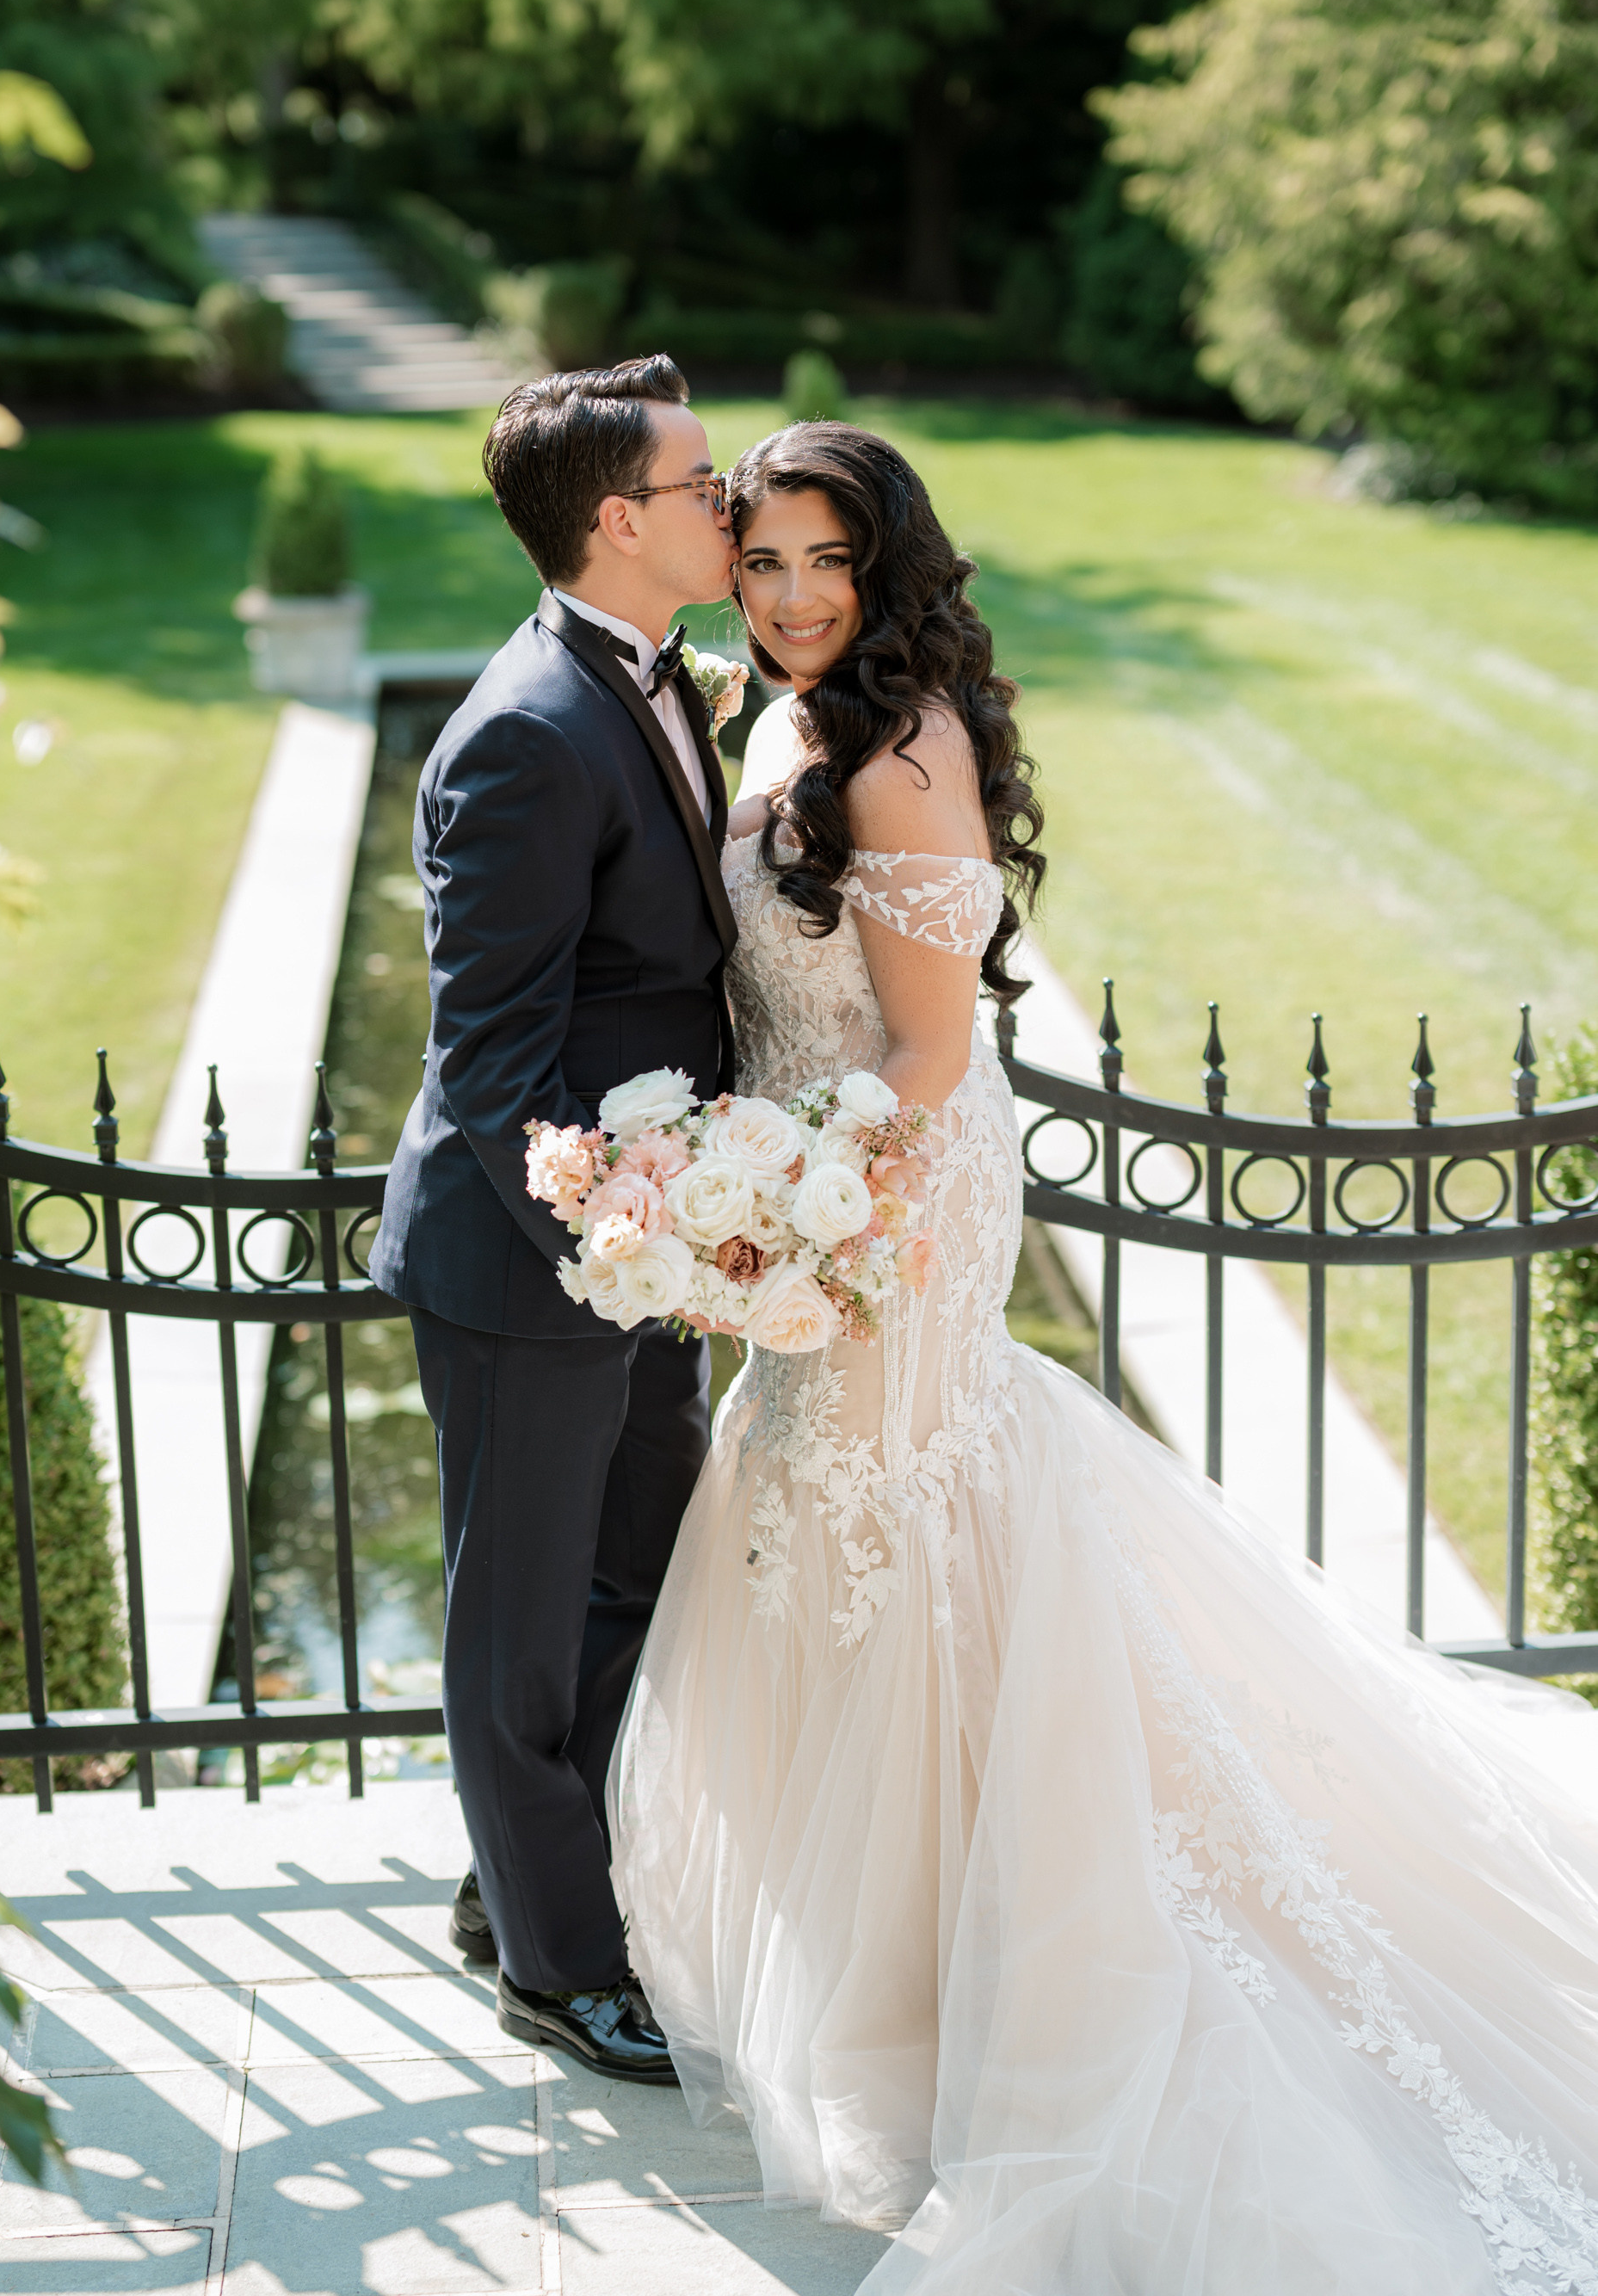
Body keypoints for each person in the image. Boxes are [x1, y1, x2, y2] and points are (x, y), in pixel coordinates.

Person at [608, 419, 1598, 2290]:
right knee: (821, 1529)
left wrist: (797, 1203)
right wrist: (738, 1192)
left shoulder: (904, 749)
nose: (795, 596)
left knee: (904, 1523)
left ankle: (999, 1965)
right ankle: (899, 1959)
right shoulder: (778, 715)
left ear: (888, 570)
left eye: (830, 563)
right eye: (767, 561)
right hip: (812, 1184)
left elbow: (926, 1052)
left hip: (893, 1189)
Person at [372, 353, 737, 2085]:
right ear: (618, 520)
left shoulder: (651, 677)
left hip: (639, 1250)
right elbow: (495, 1061)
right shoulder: (525, 731)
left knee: (640, 1579)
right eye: (703, 485)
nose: (730, 505)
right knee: (515, 1628)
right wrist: (607, 1256)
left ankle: (510, 1880)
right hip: (537, 1268)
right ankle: (556, 1968)